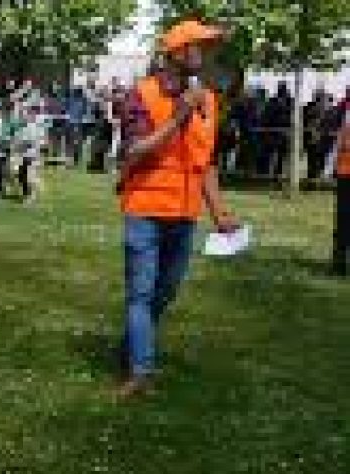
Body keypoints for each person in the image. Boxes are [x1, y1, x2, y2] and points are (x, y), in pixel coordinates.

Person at [114, 19, 239, 398]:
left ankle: (131, 348)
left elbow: (206, 162)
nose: (206, 53)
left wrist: (219, 213)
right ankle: (140, 372)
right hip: (146, 208)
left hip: (185, 214)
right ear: (177, 53)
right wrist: (177, 117)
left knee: (163, 293)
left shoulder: (210, 99)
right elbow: (133, 151)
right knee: (140, 292)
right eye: (199, 45)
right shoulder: (142, 94)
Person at [328, 107, 350, 276]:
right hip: (345, 173)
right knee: (342, 222)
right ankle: (339, 263)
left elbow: (339, 143)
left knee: (342, 222)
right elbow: (339, 143)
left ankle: (339, 263)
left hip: (344, 173)